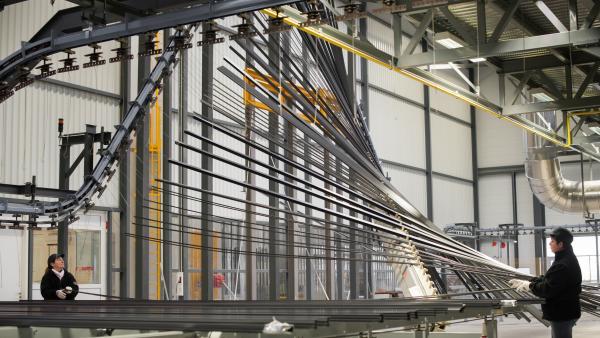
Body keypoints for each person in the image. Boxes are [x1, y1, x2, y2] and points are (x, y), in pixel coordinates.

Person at [509, 227, 581, 338]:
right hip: (564, 312)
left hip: (562, 313)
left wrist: (530, 286)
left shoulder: (563, 264)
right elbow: (551, 279)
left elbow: (548, 289)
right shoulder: (564, 259)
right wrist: (530, 281)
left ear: (561, 244)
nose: (549, 244)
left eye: (552, 241)